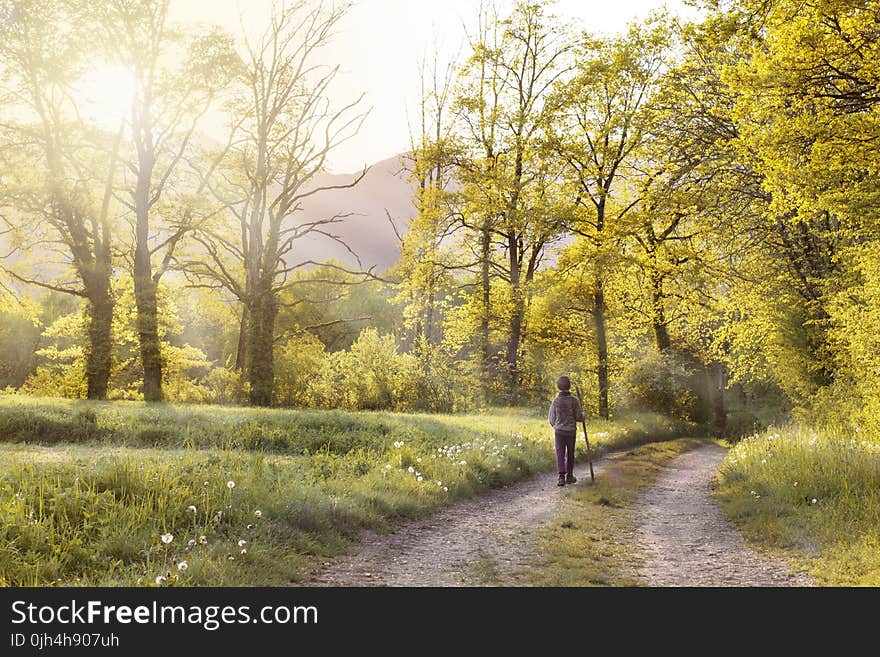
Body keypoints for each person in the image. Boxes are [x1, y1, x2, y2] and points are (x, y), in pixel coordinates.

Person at [548, 375, 584, 486]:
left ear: (558, 386)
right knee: (570, 453)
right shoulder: (574, 400)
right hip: (571, 431)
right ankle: (569, 476)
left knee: (560, 453)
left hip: (559, 431)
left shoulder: (556, 401)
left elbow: (551, 418)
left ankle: (561, 477)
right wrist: (583, 416)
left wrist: (556, 426)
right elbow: (578, 417)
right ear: (569, 386)